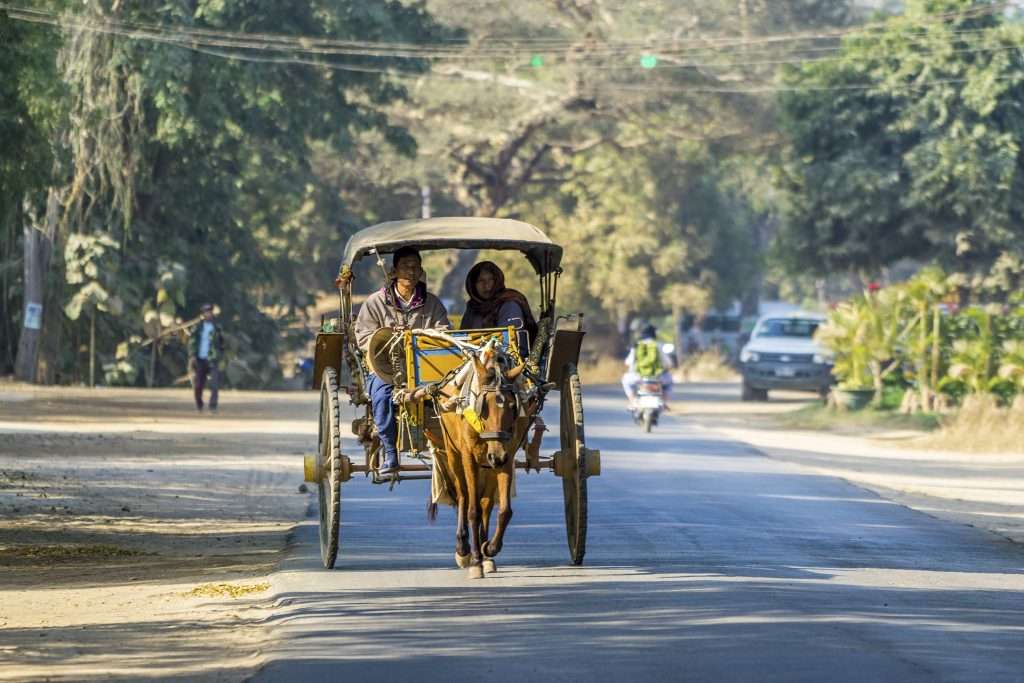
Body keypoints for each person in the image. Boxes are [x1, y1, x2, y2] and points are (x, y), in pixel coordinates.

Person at [354, 246, 450, 474]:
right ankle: (390, 453)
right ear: (393, 271)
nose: (411, 271)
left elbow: (444, 332)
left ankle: (452, 449)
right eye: (406, 266)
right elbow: (364, 337)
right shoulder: (375, 302)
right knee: (381, 396)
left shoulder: (432, 303)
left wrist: (424, 338)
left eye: (416, 267)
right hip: (386, 370)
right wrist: (387, 338)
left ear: (421, 271)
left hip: (427, 370)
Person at [461, 260, 537, 355]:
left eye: (491, 280)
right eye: (481, 281)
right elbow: (462, 338)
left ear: (497, 280)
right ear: (472, 285)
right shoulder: (472, 307)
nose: (487, 286)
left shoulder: (509, 303)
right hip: (474, 359)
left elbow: (508, 345)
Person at [622, 323, 673, 408]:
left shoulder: (637, 346)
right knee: (669, 383)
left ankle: (633, 400)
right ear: (654, 333)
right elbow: (668, 363)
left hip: (638, 377)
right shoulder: (658, 345)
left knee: (626, 381)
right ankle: (663, 401)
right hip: (657, 377)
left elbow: (628, 362)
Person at [188, 304, 225, 414]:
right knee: (198, 384)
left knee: (214, 384)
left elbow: (222, 343)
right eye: (206, 312)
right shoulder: (197, 327)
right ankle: (199, 405)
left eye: (210, 312)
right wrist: (192, 355)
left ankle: (213, 406)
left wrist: (220, 355)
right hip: (200, 359)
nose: (208, 314)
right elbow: (192, 342)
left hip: (212, 359)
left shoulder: (217, 327)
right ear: (203, 314)